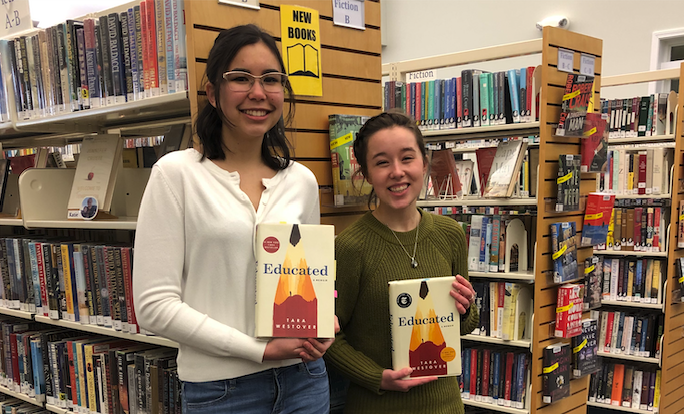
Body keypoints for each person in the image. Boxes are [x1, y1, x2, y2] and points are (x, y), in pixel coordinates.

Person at [133, 24, 332, 414]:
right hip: (221, 392)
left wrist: (322, 320)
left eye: (271, 80)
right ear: (212, 92)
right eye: (241, 78)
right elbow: (154, 307)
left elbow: (305, 278)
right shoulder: (176, 175)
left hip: (304, 379)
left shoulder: (302, 181)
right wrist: (258, 350)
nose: (258, 93)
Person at [324, 112, 479, 414]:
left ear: (424, 162)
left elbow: (464, 324)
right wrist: (376, 378)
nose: (397, 172)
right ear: (366, 173)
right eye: (382, 162)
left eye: (407, 158)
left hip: (445, 406)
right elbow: (328, 336)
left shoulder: (450, 234)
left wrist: (466, 307)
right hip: (376, 406)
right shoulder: (349, 247)